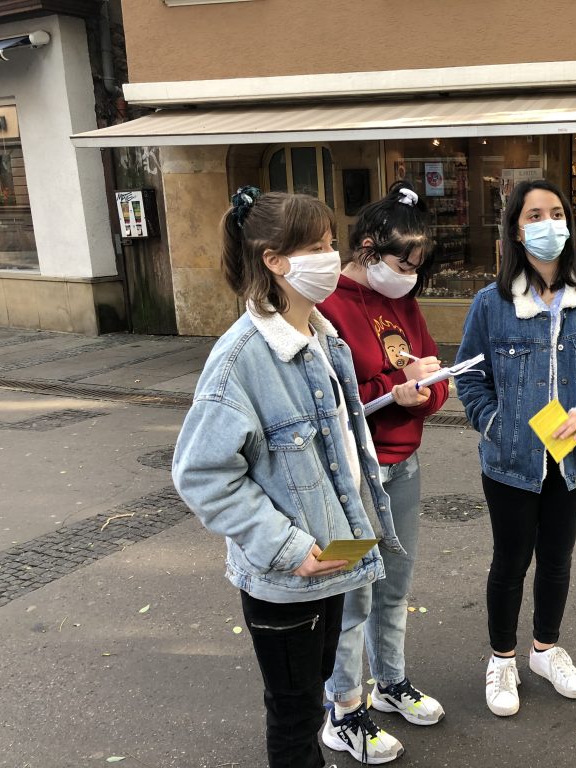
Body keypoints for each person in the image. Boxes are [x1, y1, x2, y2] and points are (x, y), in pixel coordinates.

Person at [172, 187, 402, 768]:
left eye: (330, 243)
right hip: (288, 574)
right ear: (274, 260)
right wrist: (287, 547)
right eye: (317, 247)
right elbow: (201, 473)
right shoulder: (241, 358)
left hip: (332, 557)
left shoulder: (322, 336)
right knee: (294, 714)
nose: (332, 257)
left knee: (313, 689)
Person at [455, 179, 576, 717]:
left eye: (556, 213)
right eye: (534, 215)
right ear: (516, 230)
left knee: (557, 560)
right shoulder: (491, 304)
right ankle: (502, 658)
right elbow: (470, 377)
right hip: (510, 461)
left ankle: (545, 650)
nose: (548, 223)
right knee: (510, 563)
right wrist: (495, 423)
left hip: (571, 460)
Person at [316, 182, 447, 764]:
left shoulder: (403, 302)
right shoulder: (327, 305)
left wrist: (423, 391)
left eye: (417, 268)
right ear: (368, 248)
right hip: (349, 475)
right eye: (403, 264)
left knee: (394, 586)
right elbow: (330, 400)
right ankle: (342, 710)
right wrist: (396, 390)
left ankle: (390, 683)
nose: (409, 278)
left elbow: (432, 374)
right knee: (351, 595)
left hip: (403, 465)